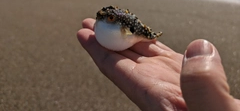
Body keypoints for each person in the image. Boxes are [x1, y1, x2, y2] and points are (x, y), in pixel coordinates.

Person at [77, 18, 240, 111]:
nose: (105, 17)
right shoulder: (104, 24)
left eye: (111, 18)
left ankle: (145, 34)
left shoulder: (127, 29)